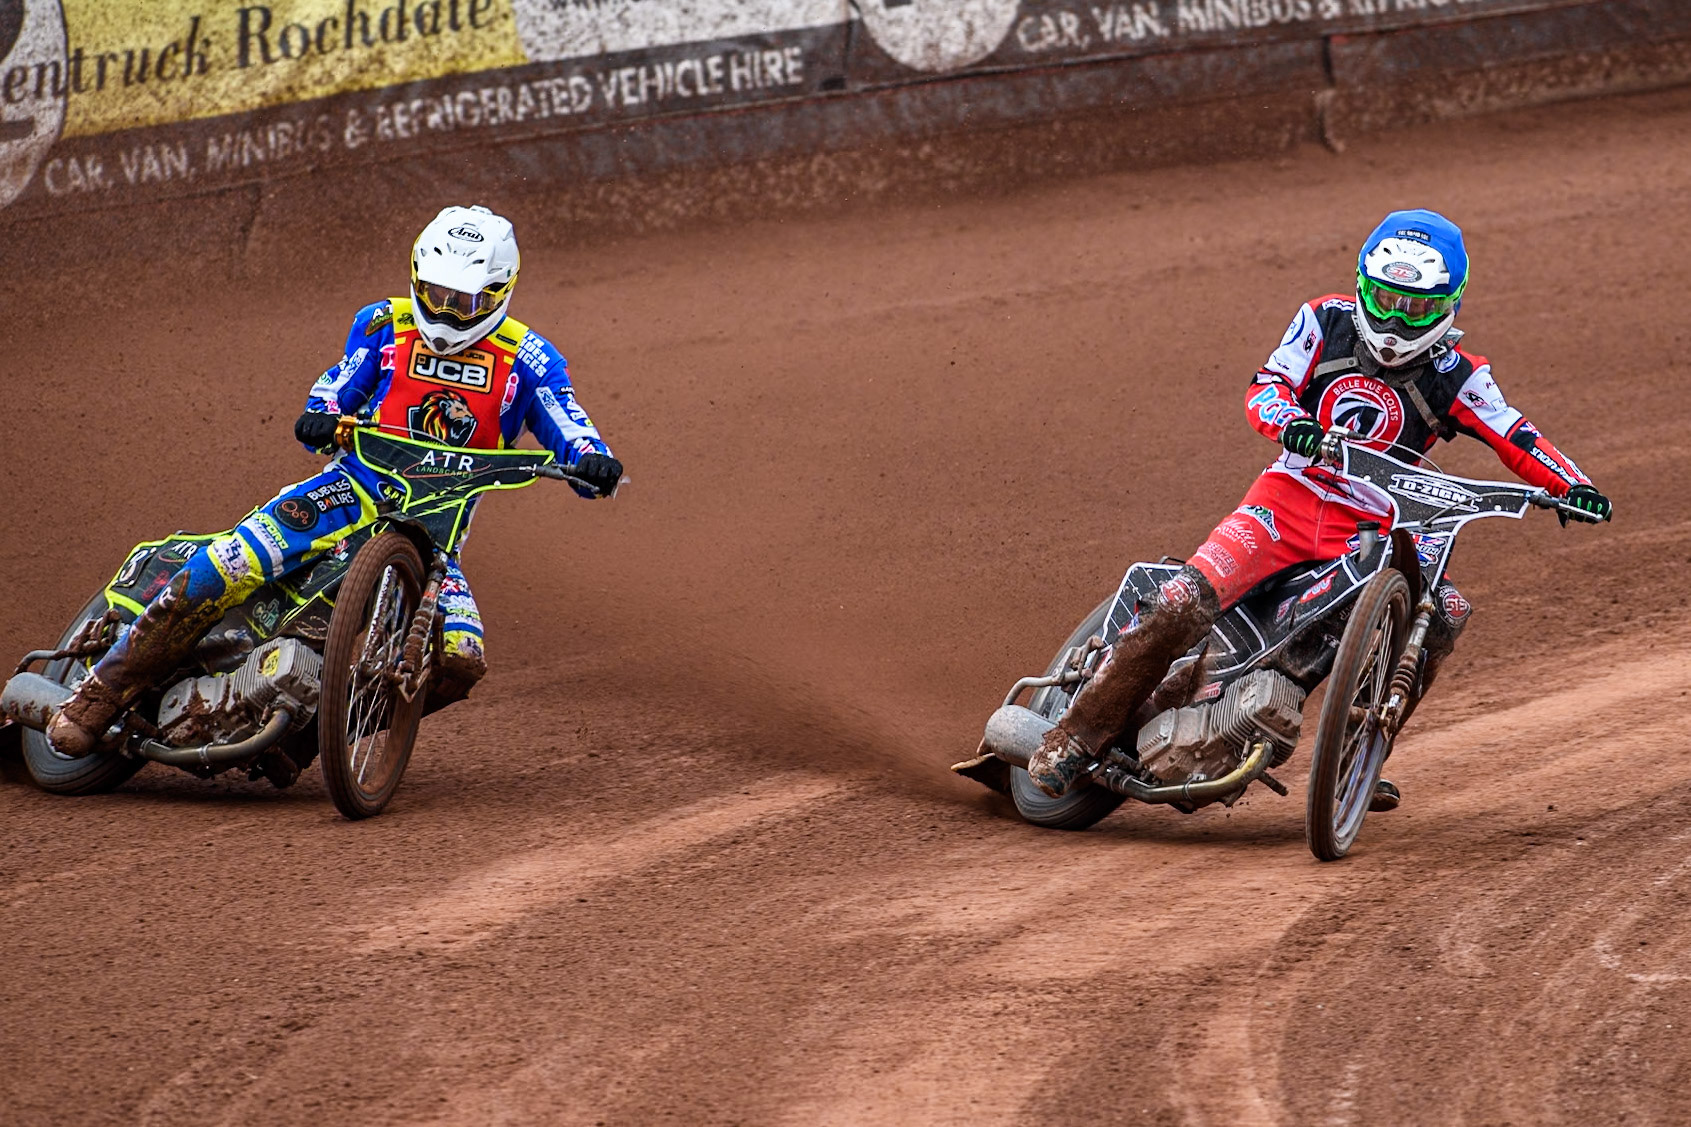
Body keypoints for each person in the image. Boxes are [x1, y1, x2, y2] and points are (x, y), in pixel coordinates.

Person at [1026, 208, 1611, 806]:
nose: (1394, 320)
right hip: (1287, 501)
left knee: (1446, 612)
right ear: (1362, 284)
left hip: (1378, 524)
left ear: (1449, 306)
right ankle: (1075, 735)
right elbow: (1266, 385)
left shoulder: (1458, 375)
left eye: (1414, 308)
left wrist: (1572, 485)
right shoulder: (1322, 320)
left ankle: (1359, 752)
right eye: (1383, 299)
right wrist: (1291, 423)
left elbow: (1515, 433)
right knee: (1186, 598)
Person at [47, 204, 623, 757]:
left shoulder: (531, 359)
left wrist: (593, 461)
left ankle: (316, 737)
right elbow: (335, 387)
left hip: (435, 536)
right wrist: (320, 413)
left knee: (460, 656)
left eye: (464, 300)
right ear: (418, 278)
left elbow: (570, 423)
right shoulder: (383, 324)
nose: (445, 312)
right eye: (436, 295)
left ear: (498, 293)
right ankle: (97, 695)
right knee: (233, 563)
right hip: (347, 491)